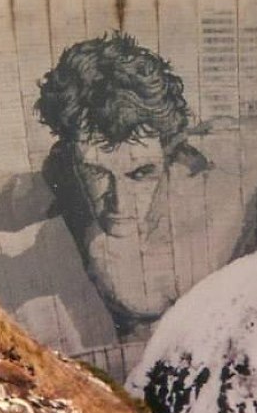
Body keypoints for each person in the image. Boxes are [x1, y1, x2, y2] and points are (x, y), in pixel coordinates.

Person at [36, 32, 209, 337]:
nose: (120, 204)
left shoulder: (207, 200)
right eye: (97, 172)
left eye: (141, 174)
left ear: (169, 155)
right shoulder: (59, 174)